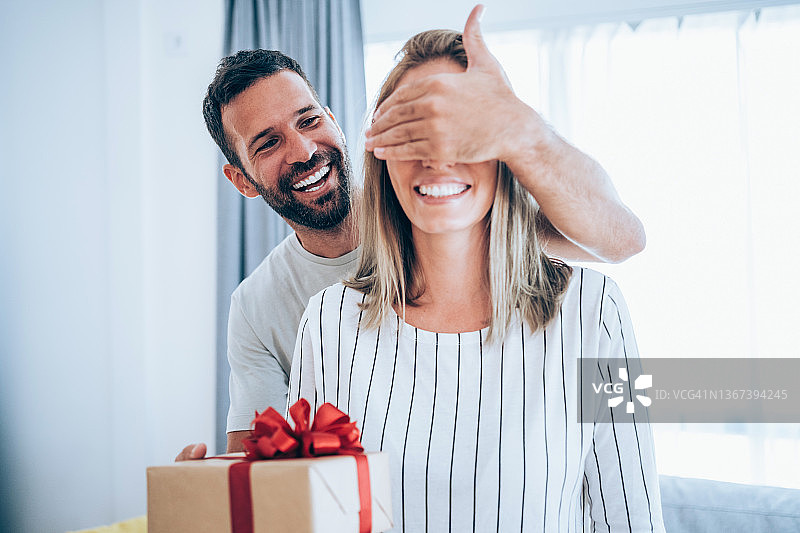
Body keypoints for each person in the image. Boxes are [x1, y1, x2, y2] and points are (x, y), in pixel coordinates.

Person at [178, 5, 646, 460]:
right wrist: (204, 497)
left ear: (336, 123)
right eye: (268, 143)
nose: (302, 150)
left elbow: (624, 239)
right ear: (242, 181)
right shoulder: (295, 317)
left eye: (309, 119)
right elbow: (264, 471)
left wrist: (522, 130)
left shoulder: (464, 226)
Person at [288, 22, 665, 533]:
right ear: (382, 153)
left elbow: (632, 513)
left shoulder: (598, 311)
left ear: (505, 151)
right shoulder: (326, 324)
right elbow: (307, 517)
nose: (438, 156)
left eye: (464, 132)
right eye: (414, 130)